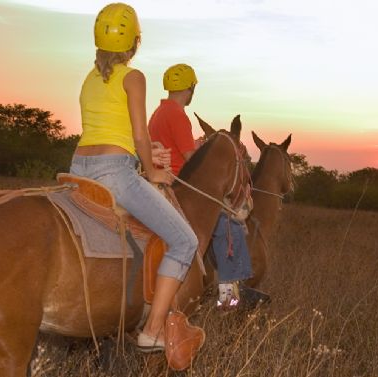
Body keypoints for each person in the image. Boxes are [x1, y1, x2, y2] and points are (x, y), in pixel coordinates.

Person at [69, 3, 203, 353]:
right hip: (113, 173)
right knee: (185, 241)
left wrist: (147, 152)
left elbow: (112, 130)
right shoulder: (134, 77)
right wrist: (153, 168)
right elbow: (139, 135)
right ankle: (153, 330)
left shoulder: (89, 78)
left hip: (77, 169)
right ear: (135, 42)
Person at [148, 64, 260, 309]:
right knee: (227, 226)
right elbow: (190, 157)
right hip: (180, 182)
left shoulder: (158, 112)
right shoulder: (178, 115)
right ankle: (230, 297)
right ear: (190, 88)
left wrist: (200, 143)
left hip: (160, 179)